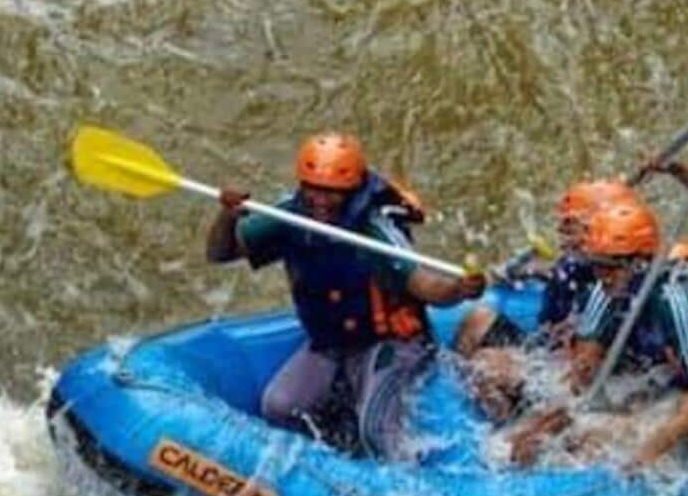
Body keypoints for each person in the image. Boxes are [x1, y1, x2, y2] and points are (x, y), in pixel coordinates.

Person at [207, 133, 485, 454]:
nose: (321, 201)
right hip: (332, 343)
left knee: (376, 429)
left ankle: (393, 481)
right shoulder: (289, 215)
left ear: (351, 190)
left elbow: (425, 286)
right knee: (279, 406)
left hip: (393, 343)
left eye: (333, 193)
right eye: (314, 189)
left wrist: (458, 289)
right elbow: (220, 253)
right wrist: (227, 217)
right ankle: (336, 454)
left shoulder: (374, 229)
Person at [507, 202, 688, 470]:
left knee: (600, 440)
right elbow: (582, 374)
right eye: (596, 266)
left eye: (609, 268)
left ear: (641, 264)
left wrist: (650, 450)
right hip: (664, 375)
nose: (601, 276)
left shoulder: (677, 299)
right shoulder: (604, 291)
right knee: (571, 429)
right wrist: (543, 427)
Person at [452, 178, 641, 356]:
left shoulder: (616, 278)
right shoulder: (575, 265)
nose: (560, 230)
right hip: (548, 347)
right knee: (479, 319)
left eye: (569, 223)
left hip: (567, 362)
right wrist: (532, 272)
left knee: (490, 363)